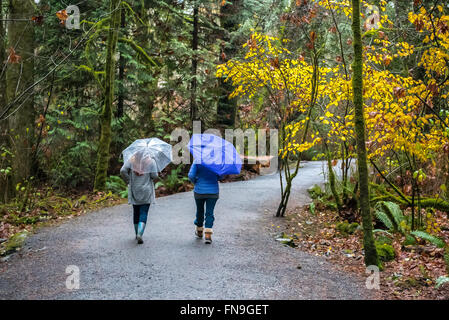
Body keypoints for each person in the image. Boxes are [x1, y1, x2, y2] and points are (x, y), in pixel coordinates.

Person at [120, 151, 158, 244]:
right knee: (143, 212)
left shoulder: (131, 160)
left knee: (136, 211)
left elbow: (122, 171)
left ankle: (136, 233)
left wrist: (129, 180)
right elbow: (154, 176)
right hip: (146, 190)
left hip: (134, 189)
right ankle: (140, 234)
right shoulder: (151, 161)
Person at [188, 160, 222, 244]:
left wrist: (196, 182)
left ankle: (199, 230)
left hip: (199, 190)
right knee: (210, 213)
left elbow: (191, 175)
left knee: (200, 211)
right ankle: (208, 234)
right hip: (213, 191)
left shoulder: (197, 160)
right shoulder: (216, 161)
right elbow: (220, 176)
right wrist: (215, 178)